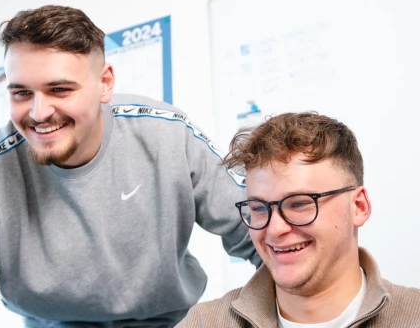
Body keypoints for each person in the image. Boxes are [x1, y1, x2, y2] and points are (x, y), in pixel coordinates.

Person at [0, 5, 260, 328]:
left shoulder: (168, 134)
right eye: (21, 93)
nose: (38, 113)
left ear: (105, 84)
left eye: (60, 89)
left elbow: (260, 231)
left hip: (166, 322)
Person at [177, 112, 420, 327]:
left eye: (299, 204)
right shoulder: (202, 323)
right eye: (259, 207)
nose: (274, 229)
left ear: (358, 207)